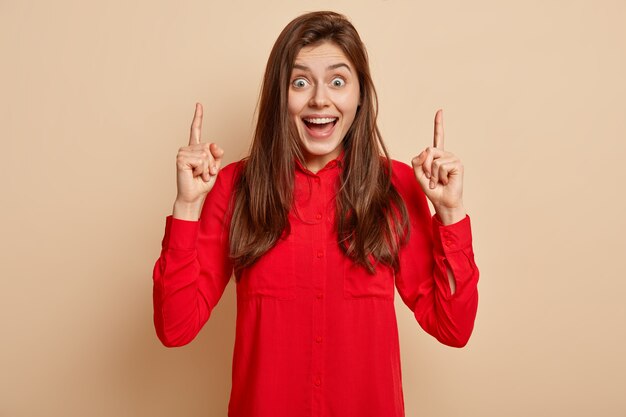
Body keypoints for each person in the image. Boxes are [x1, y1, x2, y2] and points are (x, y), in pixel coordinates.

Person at [152, 10, 479, 417]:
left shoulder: (395, 186)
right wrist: (186, 207)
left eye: (338, 81)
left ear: (360, 95)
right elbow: (175, 328)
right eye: (300, 82)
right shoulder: (235, 187)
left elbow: (453, 327)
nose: (320, 99)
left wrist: (450, 214)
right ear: (279, 95)